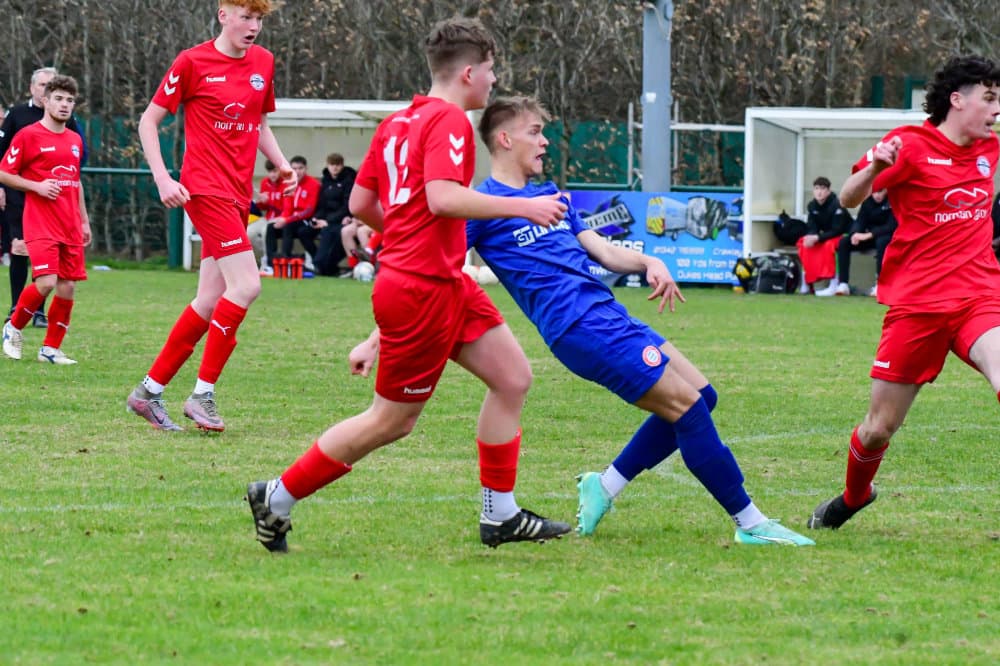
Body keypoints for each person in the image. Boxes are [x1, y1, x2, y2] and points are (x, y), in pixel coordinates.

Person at [244, 17, 569, 553]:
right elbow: (442, 198)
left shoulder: (398, 122)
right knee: (391, 420)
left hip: (443, 280)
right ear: (469, 73)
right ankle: (276, 496)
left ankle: (500, 514)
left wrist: (409, 236)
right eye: (490, 70)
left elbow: (361, 203)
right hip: (421, 289)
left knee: (512, 378)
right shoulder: (449, 121)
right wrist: (523, 207)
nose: (493, 80)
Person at [456, 96, 811, 545]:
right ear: (505, 139)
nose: (545, 141)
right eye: (535, 132)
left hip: (607, 314)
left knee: (703, 396)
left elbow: (603, 251)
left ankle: (604, 486)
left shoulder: (549, 196)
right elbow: (441, 261)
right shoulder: (482, 206)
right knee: (688, 409)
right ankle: (751, 523)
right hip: (578, 328)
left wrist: (649, 262)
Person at [808, 55, 1000, 530]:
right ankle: (853, 497)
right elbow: (849, 197)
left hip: (980, 296)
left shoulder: (990, 148)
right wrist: (875, 167)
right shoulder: (909, 146)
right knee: (878, 429)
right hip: (918, 306)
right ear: (957, 100)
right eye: (990, 98)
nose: (997, 109)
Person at [126, 0, 296, 432]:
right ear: (224, 15)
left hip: (238, 194)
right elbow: (148, 122)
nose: (253, 26)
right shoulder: (192, 62)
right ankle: (202, 394)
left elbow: (259, 121)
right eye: (246, 16)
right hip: (204, 189)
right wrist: (163, 178)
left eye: (259, 19)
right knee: (247, 285)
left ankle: (147, 392)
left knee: (208, 298)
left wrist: (280, 163)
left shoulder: (263, 62)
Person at [0, 75, 90, 365]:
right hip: (40, 222)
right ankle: (13, 327)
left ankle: (50, 349)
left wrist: (84, 220)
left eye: (70, 100)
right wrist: (36, 186)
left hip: (70, 222)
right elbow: (4, 172)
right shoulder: (28, 135)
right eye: (59, 99)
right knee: (47, 282)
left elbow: (76, 181)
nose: (65, 105)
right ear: (45, 101)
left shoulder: (75, 139)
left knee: (68, 286)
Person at [819, 189, 896, 297]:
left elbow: (891, 226)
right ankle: (843, 284)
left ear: (886, 190)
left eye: (880, 191)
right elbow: (860, 221)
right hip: (868, 238)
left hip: (886, 238)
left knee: (882, 242)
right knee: (844, 242)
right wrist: (854, 234)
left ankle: (880, 284)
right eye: (875, 191)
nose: (877, 195)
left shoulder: (892, 201)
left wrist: (869, 235)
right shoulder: (867, 203)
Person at [798, 176, 852, 294]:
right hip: (825, 236)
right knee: (803, 243)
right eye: (816, 188)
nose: (819, 192)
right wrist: (811, 236)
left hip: (843, 235)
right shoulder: (812, 206)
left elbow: (837, 230)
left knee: (829, 246)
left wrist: (818, 237)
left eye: (822, 188)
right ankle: (807, 282)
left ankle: (834, 284)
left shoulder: (837, 204)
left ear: (828, 191)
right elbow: (812, 226)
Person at [267, 155, 320, 270]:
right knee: (271, 228)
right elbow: (287, 208)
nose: (297, 171)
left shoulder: (314, 184)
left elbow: (309, 210)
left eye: (300, 168)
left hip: (306, 220)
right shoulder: (289, 183)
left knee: (288, 226)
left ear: (306, 168)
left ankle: (285, 260)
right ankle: (271, 264)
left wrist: (287, 220)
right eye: (294, 168)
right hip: (291, 220)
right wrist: (283, 218)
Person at [311, 152, 356, 276]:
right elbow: (322, 204)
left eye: (338, 165)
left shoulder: (348, 181)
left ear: (342, 165)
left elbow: (347, 205)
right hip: (326, 219)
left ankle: (323, 265)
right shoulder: (325, 181)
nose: (335, 168)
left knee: (331, 232)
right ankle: (318, 263)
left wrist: (328, 220)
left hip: (341, 219)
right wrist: (316, 218)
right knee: (305, 231)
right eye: (332, 164)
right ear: (328, 165)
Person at [247, 159, 286, 271]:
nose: (272, 174)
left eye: (275, 171)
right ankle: (269, 256)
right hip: (267, 218)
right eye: (270, 172)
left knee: (266, 231)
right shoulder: (265, 182)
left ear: (280, 171)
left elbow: (287, 207)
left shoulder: (286, 184)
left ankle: (268, 262)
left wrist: (270, 201)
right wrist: (260, 201)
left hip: (281, 218)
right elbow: (262, 207)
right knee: (247, 233)